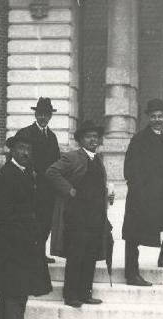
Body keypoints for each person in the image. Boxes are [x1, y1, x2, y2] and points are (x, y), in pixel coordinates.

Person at [0, 134, 52, 319]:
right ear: (12, 150)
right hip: (14, 242)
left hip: (18, 242)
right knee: (16, 291)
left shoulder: (24, 173)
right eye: (21, 148)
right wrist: (27, 232)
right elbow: (3, 212)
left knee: (9, 290)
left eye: (29, 149)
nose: (26, 153)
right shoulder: (8, 174)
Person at [46, 120, 112, 308]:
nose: (93, 140)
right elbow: (52, 172)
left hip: (95, 217)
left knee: (90, 255)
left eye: (96, 136)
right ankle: (71, 295)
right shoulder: (72, 157)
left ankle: (85, 293)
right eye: (89, 136)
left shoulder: (98, 160)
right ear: (81, 140)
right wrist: (69, 190)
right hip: (76, 217)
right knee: (76, 255)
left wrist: (107, 196)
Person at [122, 98, 163, 287]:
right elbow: (130, 168)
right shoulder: (140, 138)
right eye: (153, 116)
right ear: (148, 118)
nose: (157, 119)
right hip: (142, 195)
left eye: (160, 116)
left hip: (161, 195)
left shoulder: (162, 138)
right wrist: (139, 192)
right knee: (133, 234)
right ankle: (131, 273)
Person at [15, 97, 61, 264]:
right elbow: (16, 158)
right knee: (31, 221)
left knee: (46, 221)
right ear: (36, 114)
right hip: (30, 186)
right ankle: (31, 253)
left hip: (48, 189)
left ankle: (40, 252)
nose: (43, 117)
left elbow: (57, 161)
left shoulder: (53, 137)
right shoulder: (25, 133)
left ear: (50, 116)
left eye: (46, 114)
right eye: (40, 114)